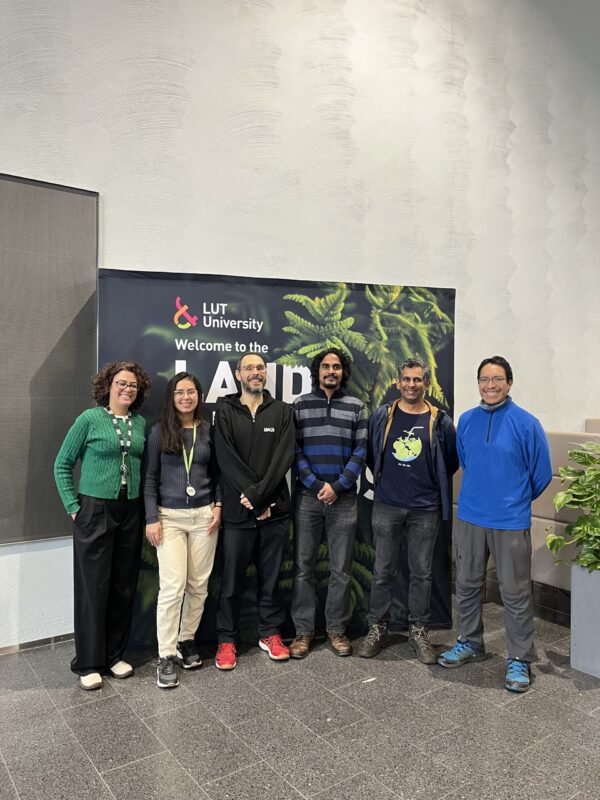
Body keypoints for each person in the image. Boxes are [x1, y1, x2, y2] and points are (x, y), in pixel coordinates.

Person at [438, 356, 552, 693]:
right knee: (469, 586)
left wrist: (512, 499)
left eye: (497, 379)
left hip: (510, 522)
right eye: (485, 379)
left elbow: (541, 474)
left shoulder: (527, 424)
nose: (491, 385)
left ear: (510, 383)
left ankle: (519, 659)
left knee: (515, 593)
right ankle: (470, 642)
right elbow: (464, 461)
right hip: (471, 517)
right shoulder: (467, 421)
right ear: (478, 384)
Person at [54, 361, 150, 690]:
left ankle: (113, 656)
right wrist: (73, 507)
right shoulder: (89, 419)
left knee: (123, 585)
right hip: (94, 509)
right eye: (121, 383)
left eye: (133, 386)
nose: (127, 389)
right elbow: (62, 464)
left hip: (130, 510)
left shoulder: (140, 423)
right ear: (108, 386)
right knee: (93, 587)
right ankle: (89, 662)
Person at [357, 358, 458, 663]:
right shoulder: (382, 416)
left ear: (425, 384)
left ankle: (419, 630)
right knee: (383, 570)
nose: (411, 384)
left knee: (422, 573)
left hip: (425, 509)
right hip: (387, 504)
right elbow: (373, 456)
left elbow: (450, 461)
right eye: (406, 379)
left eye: (417, 380)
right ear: (397, 382)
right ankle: (377, 628)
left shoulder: (440, 421)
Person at [213, 353, 295, 670]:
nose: (256, 372)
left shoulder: (282, 412)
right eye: (249, 368)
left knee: (271, 579)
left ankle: (270, 634)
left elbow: (283, 458)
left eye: (260, 368)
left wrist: (262, 498)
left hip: (274, 511)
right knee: (231, 581)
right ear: (238, 374)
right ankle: (227, 640)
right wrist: (253, 496)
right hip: (237, 514)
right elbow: (226, 457)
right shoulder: (224, 410)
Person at [144, 372, 222, 689]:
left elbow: (217, 475)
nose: (186, 397)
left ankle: (186, 640)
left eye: (191, 391)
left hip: (204, 516)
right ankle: (165, 655)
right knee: (173, 588)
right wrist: (152, 517)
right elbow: (149, 479)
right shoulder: (159, 432)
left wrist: (217, 506)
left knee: (199, 585)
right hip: (170, 518)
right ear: (172, 397)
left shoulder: (207, 432)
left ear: (199, 396)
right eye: (180, 392)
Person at [289, 348, 368, 658]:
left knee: (341, 570)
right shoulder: (300, 405)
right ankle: (303, 633)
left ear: (343, 372)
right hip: (308, 498)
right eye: (325, 366)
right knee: (303, 568)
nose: (331, 371)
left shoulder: (356, 407)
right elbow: (294, 452)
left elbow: (360, 452)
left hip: (344, 499)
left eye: (336, 367)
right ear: (317, 371)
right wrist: (316, 484)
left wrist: (337, 486)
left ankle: (336, 630)